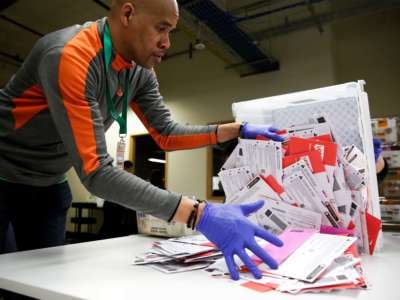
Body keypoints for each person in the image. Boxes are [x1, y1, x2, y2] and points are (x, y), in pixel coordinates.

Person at [0, 0, 285, 282]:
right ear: (127, 13)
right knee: (7, 277)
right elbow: (96, 172)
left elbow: (166, 133)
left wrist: (235, 130)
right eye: (161, 28)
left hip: (49, 182)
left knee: (40, 283)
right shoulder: (69, 55)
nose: (167, 43)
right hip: (3, 171)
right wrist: (200, 214)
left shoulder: (139, 71)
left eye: (171, 31)